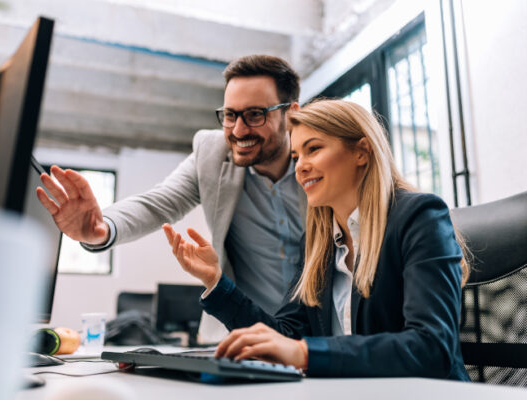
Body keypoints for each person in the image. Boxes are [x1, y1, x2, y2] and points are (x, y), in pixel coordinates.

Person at [162, 99, 471, 379]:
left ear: (361, 152)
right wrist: (216, 282)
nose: (300, 167)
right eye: (296, 155)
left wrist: (305, 354)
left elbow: (432, 346)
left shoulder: (420, 218)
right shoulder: (317, 244)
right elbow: (283, 336)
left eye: (314, 149)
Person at [35, 55, 306, 339]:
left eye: (255, 115)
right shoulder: (212, 154)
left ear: (291, 114)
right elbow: (158, 203)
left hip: (320, 333)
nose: (238, 130)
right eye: (229, 115)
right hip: (243, 334)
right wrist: (102, 228)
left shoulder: (321, 160)